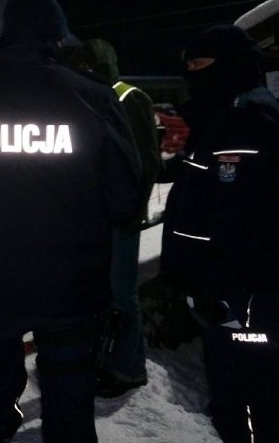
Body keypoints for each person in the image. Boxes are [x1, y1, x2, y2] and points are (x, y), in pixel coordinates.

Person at [0, 0, 142, 442]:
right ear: (58, 36)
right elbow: (125, 198)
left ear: (5, 34)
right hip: (70, 282)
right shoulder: (93, 96)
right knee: (69, 396)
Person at [160, 25, 279, 442]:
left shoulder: (247, 120)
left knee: (251, 389)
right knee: (235, 384)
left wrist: (216, 284)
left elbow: (239, 216)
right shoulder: (228, 116)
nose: (193, 74)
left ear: (231, 66)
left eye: (200, 65)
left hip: (244, 289)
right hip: (229, 288)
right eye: (188, 66)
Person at [70, 39, 161, 397]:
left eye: (88, 66)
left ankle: (128, 369)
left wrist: (131, 211)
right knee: (98, 293)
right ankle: (104, 358)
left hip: (120, 218)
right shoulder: (85, 97)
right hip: (90, 217)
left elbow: (147, 161)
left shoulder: (128, 97)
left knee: (121, 295)